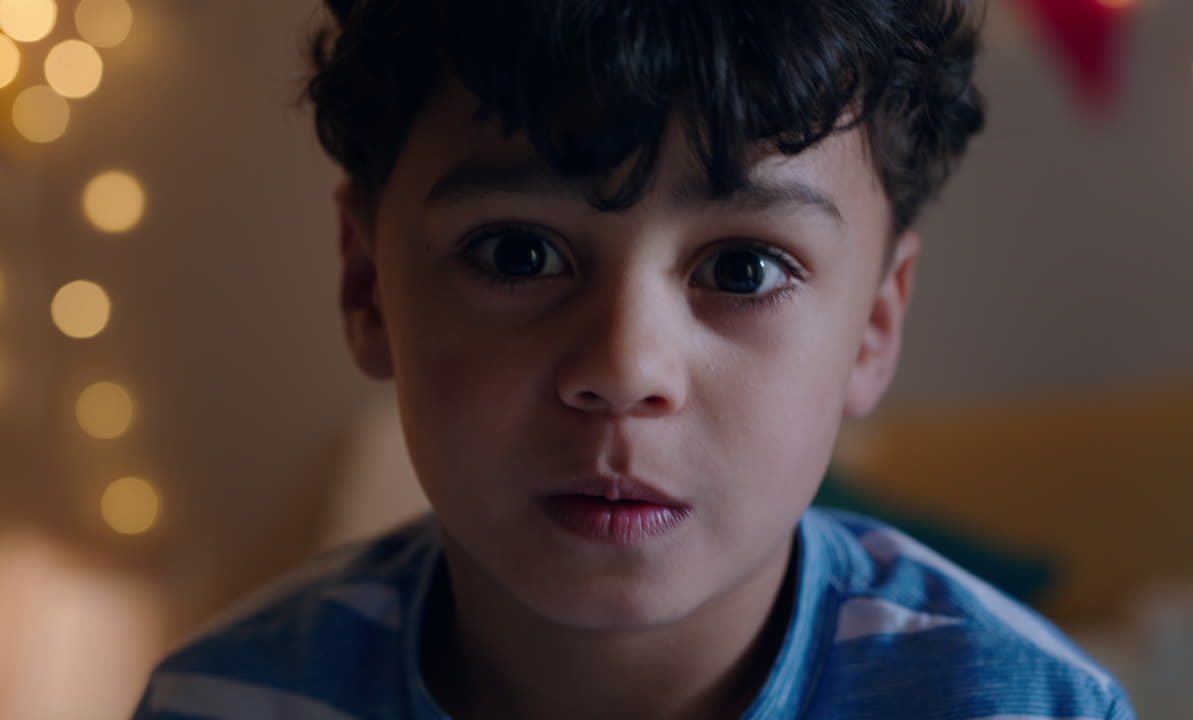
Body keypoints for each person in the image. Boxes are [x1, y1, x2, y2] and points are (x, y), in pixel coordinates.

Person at [132, 0, 1135, 717]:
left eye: (742, 269)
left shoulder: (1024, 706)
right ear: (367, 289)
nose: (622, 367)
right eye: (517, 253)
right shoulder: (226, 697)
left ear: (874, 325)